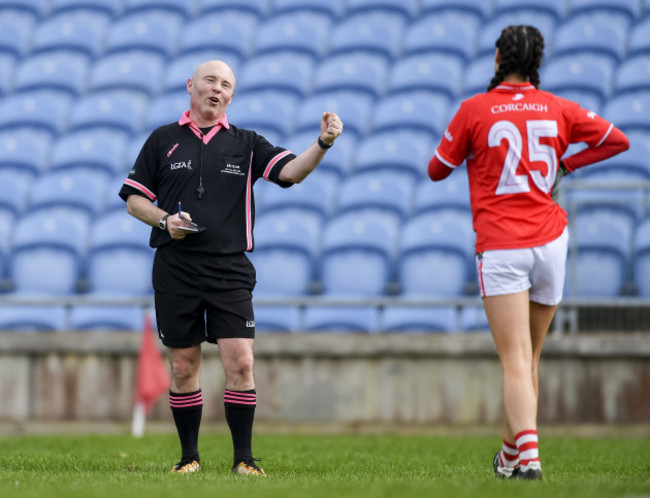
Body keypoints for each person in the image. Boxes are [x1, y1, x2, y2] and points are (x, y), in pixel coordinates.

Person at [119, 60, 343, 476]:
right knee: (183, 364)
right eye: (210, 80)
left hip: (230, 269)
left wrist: (323, 143)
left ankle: (244, 459)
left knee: (240, 362)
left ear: (231, 97)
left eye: (226, 84)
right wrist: (165, 220)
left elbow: (290, 173)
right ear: (191, 86)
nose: (217, 89)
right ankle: (189, 458)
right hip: (175, 266)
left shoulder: (247, 143)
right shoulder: (162, 140)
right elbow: (134, 199)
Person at [427, 25, 629, 480]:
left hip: (502, 245)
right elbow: (618, 140)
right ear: (537, 61)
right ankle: (509, 456)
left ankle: (530, 461)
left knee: (515, 360)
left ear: (498, 58)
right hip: (551, 241)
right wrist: (567, 163)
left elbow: (437, 169)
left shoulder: (474, 109)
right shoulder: (558, 107)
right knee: (530, 358)